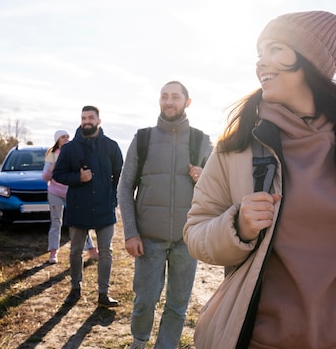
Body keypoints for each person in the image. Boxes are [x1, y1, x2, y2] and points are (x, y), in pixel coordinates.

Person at [183, 11, 336, 349]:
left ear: (310, 62)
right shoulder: (236, 146)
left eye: (275, 49)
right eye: (260, 53)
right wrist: (237, 226)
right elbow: (195, 233)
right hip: (257, 339)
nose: (261, 63)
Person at [118, 81, 213, 349]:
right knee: (145, 300)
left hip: (187, 240)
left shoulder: (201, 140)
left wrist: (203, 178)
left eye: (175, 97)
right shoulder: (143, 139)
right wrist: (131, 232)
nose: (169, 101)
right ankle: (139, 341)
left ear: (187, 102)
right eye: (164, 96)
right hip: (149, 239)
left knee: (178, 304)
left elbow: (218, 189)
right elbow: (125, 187)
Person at [52, 106, 123, 307]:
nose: (87, 121)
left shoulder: (111, 146)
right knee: (75, 251)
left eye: (91, 117)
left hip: (104, 208)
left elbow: (121, 175)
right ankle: (75, 289)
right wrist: (78, 178)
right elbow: (58, 174)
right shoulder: (70, 148)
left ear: (99, 120)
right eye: (83, 118)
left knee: (106, 252)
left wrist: (113, 200)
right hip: (78, 207)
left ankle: (103, 294)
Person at [41, 129, 98, 264]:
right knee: (56, 222)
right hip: (55, 193)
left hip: (72, 192)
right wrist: (52, 167)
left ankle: (91, 249)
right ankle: (53, 252)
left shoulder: (73, 152)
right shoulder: (52, 155)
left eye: (67, 136)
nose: (66, 139)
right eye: (63, 137)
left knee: (81, 220)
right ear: (57, 140)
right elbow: (45, 177)